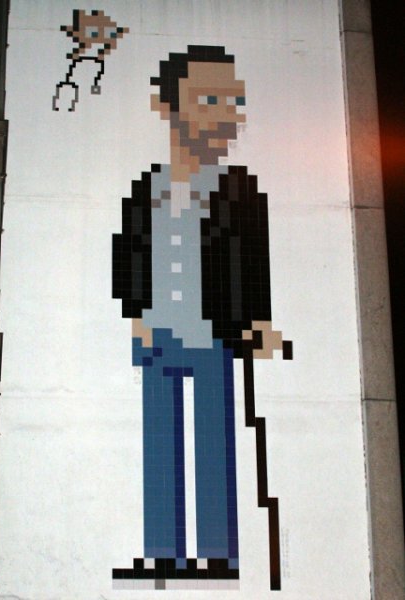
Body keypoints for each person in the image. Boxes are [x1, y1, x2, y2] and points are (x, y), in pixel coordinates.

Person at [112, 45, 286, 589]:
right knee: (160, 442)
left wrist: (256, 321)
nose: (225, 115)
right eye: (208, 99)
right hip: (157, 333)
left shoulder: (240, 191)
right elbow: (128, 253)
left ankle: (216, 553)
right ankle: (163, 552)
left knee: (214, 442)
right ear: (166, 106)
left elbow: (254, 262)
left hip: (215, 334)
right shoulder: (147, 188)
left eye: (232, 102)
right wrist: (134, 313)